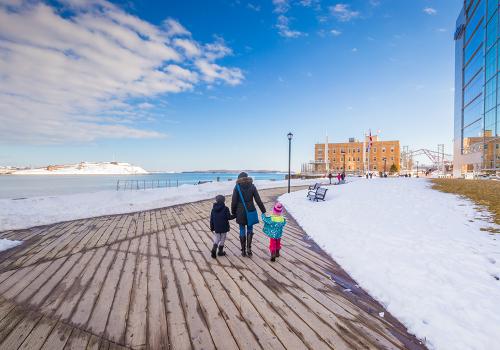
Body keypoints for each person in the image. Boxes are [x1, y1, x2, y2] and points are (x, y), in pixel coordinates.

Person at [231, 172, 266, 257]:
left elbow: (234, 201)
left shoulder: (237, 187)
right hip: (250, 210)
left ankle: (243, 251)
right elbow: (258, 200)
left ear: (239, 178)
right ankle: (249, 249)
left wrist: (233, 211)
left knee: (242, 229)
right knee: (250, 229)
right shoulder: (252, 186)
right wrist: (263, 210)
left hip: (240, 211)